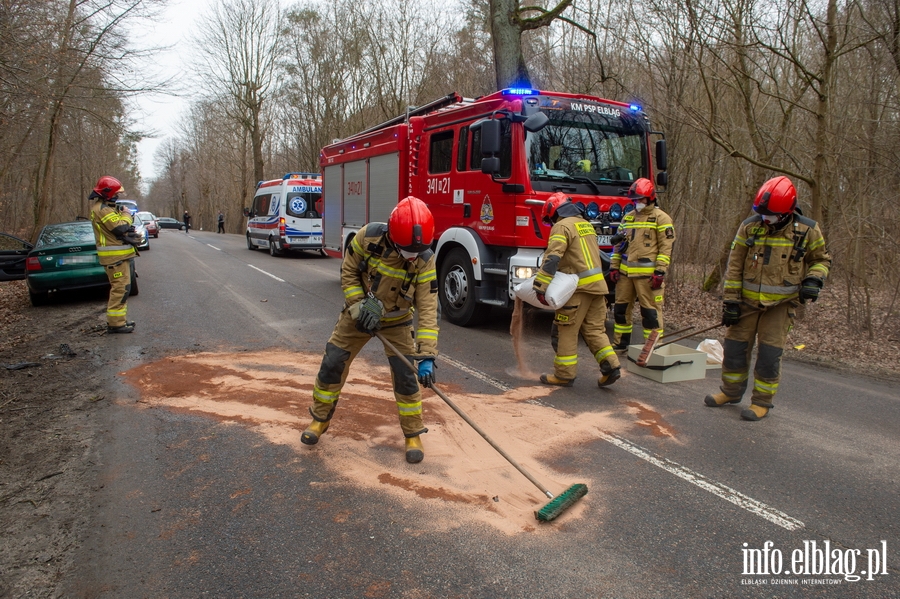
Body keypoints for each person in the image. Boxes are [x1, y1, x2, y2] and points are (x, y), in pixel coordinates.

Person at [300, 196, 439, 463]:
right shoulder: (367, 238)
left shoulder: (424, 260)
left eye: (416, 252)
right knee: (333, 363)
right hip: (361, 314)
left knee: (406, 377)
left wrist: (427, 356)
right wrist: (358, 307)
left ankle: (412, 434)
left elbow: (428, 308)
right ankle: (319, 420)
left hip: (397, 321)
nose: (412, 256)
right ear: (392, 234)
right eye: (406, 250)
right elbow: (349, 271)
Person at [704, 176, 831, 421]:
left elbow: (821, 260)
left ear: (786, 212)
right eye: (761, 213)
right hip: (745, 304)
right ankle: (729, 392)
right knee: (734, 350)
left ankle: (762, 402)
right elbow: (735, 266)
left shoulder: (807, 230)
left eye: (770, 214)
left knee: (769, 356)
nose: (765, 218)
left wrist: (814, 280)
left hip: (780, 307)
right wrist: (730, 301)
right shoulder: (749, 227)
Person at [533, 192, 621, 388]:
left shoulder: (561, 226)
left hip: (577, 289)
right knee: (595, 330)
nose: (551, 223)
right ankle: (611, 367)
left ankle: (564, 375)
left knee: (565, 330)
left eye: (550, 220)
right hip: (598, 288)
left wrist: (540, 286)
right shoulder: (586, 225)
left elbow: (553, 257)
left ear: (553, 212)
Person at [608, 178, 675, 351]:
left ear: (651, 198)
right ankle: (621, 343)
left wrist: (660, 272)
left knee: (650, 313)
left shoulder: (662, 219)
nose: (637, 203)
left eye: (640, 199)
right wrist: (614, 267)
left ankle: (653, 348)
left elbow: (666, 249)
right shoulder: (628, 218)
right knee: (621, 311)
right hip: (625, 275)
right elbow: (618, 246)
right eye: (635, 200)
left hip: (648, 277)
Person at [88, 176, 141, 334]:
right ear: (108, 193)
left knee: (123, 288)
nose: (118, 196)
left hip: (118, 257)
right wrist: (127, 215)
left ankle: (119, 321)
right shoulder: (102, 209)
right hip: (114, 258)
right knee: (120, 289)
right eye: (116, 193)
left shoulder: (106, 207)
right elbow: (119, 228)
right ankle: (116, 324)